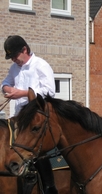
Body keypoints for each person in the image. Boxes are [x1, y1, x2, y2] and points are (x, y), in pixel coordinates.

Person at [1, 35, 58, 194]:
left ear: (24, 50)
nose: (13, 60)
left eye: (14, 56)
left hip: (36, 116)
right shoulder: (14, 68)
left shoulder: (40, 65)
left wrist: (23, 93)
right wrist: (8, 89)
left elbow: (49, 91)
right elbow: (5, 83)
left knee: (37, 149)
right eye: (11, 57)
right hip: (18, 116)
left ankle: (49, 186)